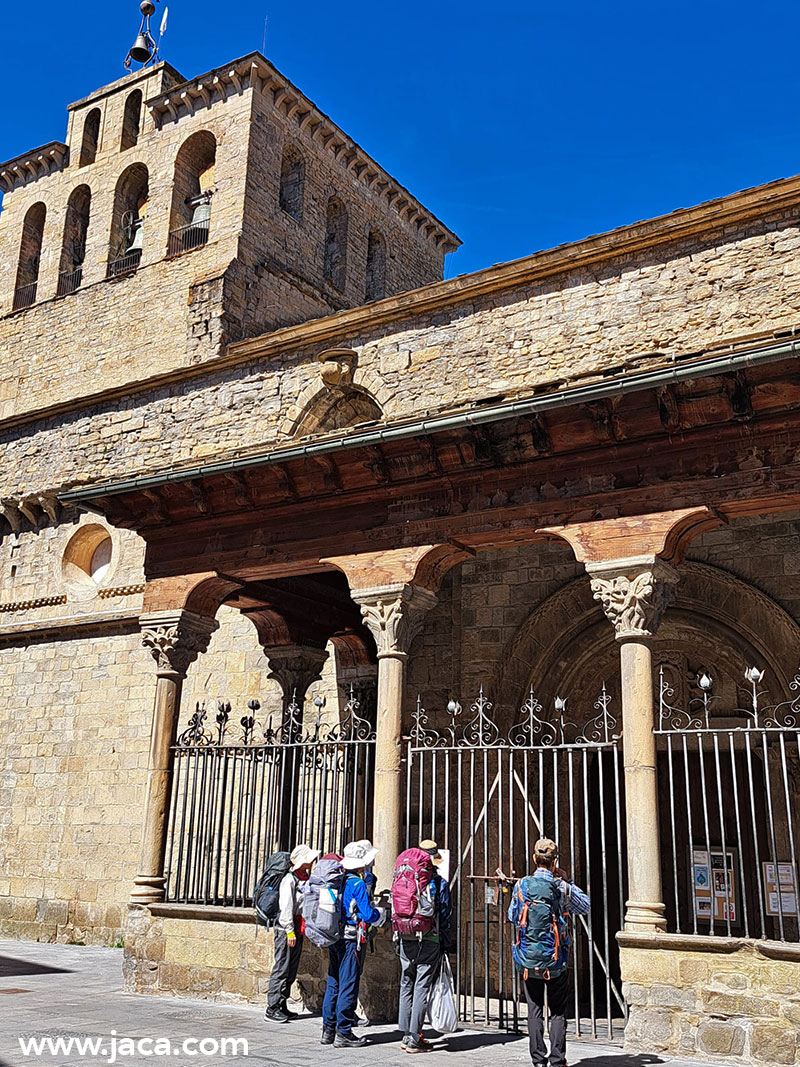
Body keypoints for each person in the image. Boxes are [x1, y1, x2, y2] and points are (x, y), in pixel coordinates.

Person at [507, 838, 590, 1067]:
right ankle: (557, 1059)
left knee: (533, 1009)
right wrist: (568, 880)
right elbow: (586, 906)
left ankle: (537, 1059)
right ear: (555, 862)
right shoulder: (561, 886)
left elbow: (512, 917)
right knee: (557, 1011)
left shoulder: (522, 885)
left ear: (534, 859)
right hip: (555, 960)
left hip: (528, 958)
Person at [321, 839, 387, 1048]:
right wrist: (381, 914)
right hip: (351, 939)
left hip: (335, 936)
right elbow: (367, 914)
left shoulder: (339, 879)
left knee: (334, 981)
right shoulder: (357, 882)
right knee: (349, 983)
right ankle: (344, 1031)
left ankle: (328, 1029)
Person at [397, 839, 454, 1054]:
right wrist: (446, 943)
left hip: (404, 935)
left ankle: (405, 1034)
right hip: (429, 939)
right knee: (421, 986)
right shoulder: (438, 882)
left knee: (406, 982)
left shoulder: (404, 876)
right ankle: (414, 1038)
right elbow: (445, 914)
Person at [265, 843, 320, 1023]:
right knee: (282, 966)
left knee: (291, 968)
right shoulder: (289, 880)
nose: (313, 861)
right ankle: (272, 1006)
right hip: (287, 929)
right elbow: (286, 906)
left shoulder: (304, 878)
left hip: (297, 927)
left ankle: (282, 1004)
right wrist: (289, 931)